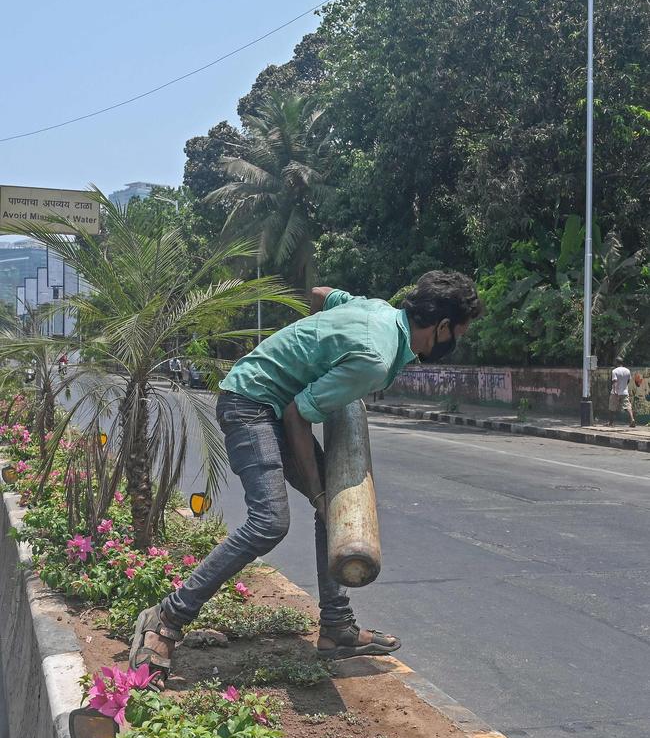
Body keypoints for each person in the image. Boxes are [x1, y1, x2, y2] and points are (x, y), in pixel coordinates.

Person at [130, 271, 482, 687]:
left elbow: (320, 294)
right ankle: (167, 618)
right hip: (251, 403)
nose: (454, 341)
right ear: (441, 327)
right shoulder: (376, 358)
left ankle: (336, 628)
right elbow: (298, 415)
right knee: (270, 522)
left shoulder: (375, 309)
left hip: (269, 403)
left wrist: (307, 348)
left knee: (331, 509)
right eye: (457, 332)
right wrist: (316, 491)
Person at [608, 357, 636, 428]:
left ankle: (611, 423)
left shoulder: (614, 371)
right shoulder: (627, 370)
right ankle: (632, 419)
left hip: (615, 392)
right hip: (624, 392)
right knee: (628, 406)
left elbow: (615, 381)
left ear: (616, 362)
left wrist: (615, 390)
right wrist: (624, 387)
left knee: (612, 407)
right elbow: (628, 380)